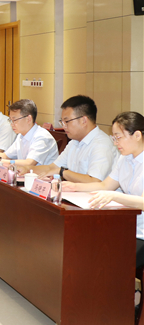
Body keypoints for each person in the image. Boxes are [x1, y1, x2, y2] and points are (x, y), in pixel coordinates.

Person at [61, 112, 143, 264]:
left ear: (137, 135)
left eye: (118, 137)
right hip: (125, 224)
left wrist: (114, 195)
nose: (115, 143)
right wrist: (75, 187)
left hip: (141, 232)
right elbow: (105, 185)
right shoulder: (124, 158)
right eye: (114, 138)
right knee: (87, 244)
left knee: (105, 255)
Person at [22, 95, 117, 182]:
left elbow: (94, 181)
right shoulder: (74, 142)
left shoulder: (101, 145)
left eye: (67, 121)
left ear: (83, 120)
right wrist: (27, 169)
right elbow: (52, 167)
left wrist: (63, 172)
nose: (64, 126)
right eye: (62, 122)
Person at [0, 99, 59, 167]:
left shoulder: (42, 137)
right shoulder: (21, 135)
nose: (11, 124)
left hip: (44, 181)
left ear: (28, 119)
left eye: (14, 120)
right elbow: (6, 156)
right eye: (10, 120)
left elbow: (29, 163)